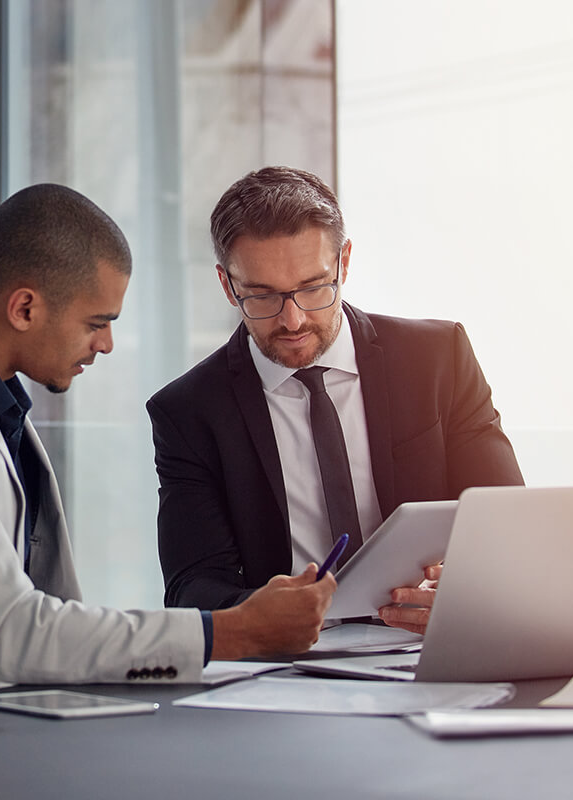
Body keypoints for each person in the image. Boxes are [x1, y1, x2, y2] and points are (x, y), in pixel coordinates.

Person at [0, 183, 334, 713]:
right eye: (96, 323)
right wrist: (233, 632)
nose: (105, 344)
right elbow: (14, 631)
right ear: (24, 308)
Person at [147, 166, 523, 634]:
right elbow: (192, 586)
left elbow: (510, 525)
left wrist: (467, 589)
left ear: (344, 263)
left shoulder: (438, 358)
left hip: (434, 644)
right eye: (262, 297)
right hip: (290, 664)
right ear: (227, 285)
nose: (293, 320)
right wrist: (262, 613)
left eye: (312, 287)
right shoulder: (188, 412)